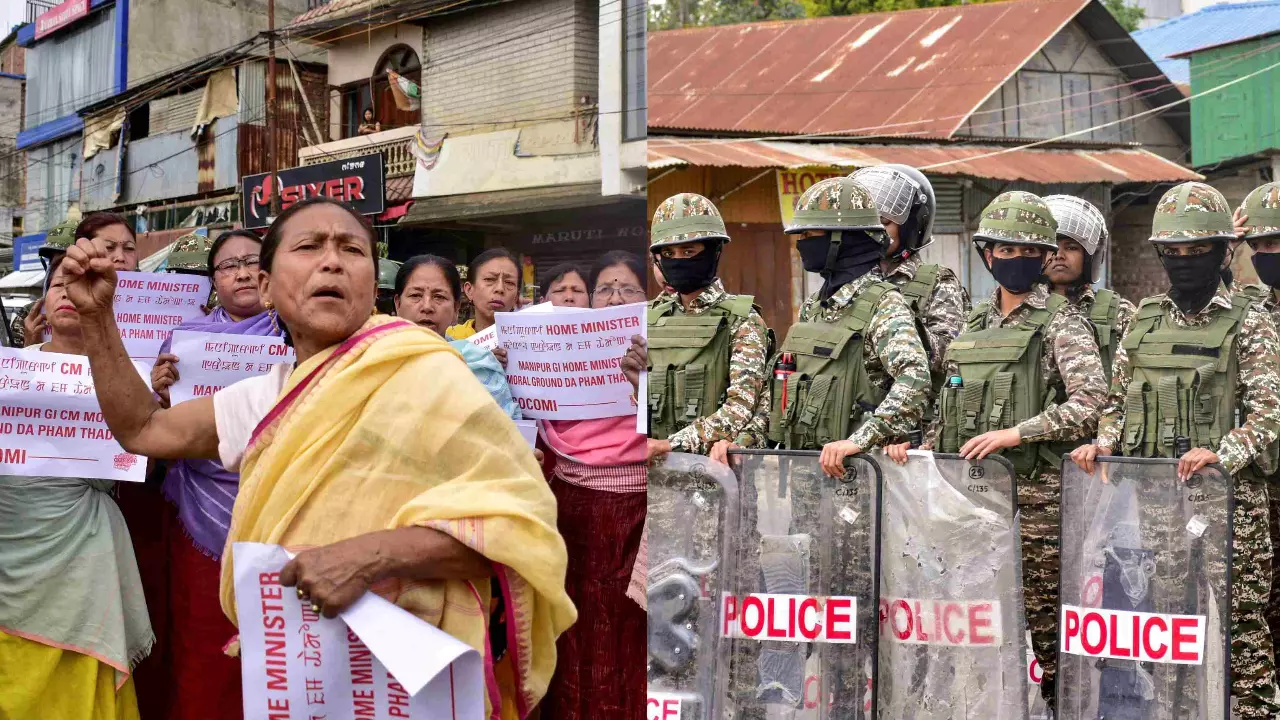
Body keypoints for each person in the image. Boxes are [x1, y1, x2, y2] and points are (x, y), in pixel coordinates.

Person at [61, 196, 576, 719]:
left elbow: (516, 529)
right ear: (265, 286)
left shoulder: (429, 376)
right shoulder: (267, 396)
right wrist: (99, 316)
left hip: (416, 677)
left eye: (351, 249)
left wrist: (369, 556)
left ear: (371, 286)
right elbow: (144, 429)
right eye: (309, 246)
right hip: (302, 670)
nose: (332, 260)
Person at [1072, 181, 1280, 718]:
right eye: (1175, 253)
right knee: (1170, 629)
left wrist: (1222, 454)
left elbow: (1270, 411)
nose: (1185, 263)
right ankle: (1174, 712)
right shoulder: (1143, 322)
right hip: (1160, 501)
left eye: (1199, 251)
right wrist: (1104, 442)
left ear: (1223, 252)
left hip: (1230, 501)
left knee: (1242, 625)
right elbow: (1116, 402)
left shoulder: (1249, 320)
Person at [899, 191, 1107, 708]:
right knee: (975, 623)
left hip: (1038, 502)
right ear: (986, 255)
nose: (1014, 260)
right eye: (1003, 251)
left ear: (1042, 257)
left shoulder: (1062, 321)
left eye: (1027, 251)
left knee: (1045, 628)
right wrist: (919, 452)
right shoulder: (970, 326)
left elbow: (1092, 401)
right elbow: (947, 408)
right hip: (971, 501)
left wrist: (1019, 433)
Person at [0, 252, 152, 720]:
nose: (68, 294)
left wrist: (159, 398)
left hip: (81, 549)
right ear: (44, 301)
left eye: (79, 284)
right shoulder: (9, 371)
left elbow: (142, 449)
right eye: (59, 284)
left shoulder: (129, 378)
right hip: (12, 540)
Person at [136, 229, 279, 720]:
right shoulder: (184, 342)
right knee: (203, 654)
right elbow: (155, 427)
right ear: (213, 281)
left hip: (282, 511)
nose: (241, 272)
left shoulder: (300, 335)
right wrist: (158, 393)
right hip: (200, 516)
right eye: (227, 265)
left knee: (279, 659)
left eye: (251, 262)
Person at [539, 249, 648, 720]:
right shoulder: (561, 348)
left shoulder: (658, 349)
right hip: (569, 502)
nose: (613, 298)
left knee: (626, 628)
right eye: (604, 288)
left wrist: (645, 381)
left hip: (634, 508)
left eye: (627, 289)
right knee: (570, 621)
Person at [765, 176, 932, 477]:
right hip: (807, 477)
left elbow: (915, 381)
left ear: (843, 239)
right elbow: (785, 387)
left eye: (811, 234)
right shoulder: (814, 307)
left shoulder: (883, 306)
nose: (802, 243)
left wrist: (859, 440)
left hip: (858, 482)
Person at [646, 193, 771, 463]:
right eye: (668, 253)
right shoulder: (648, 319)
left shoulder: (742, 320)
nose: (677, 260)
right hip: (654, 480)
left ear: (714, 251)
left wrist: (667, 445)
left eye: (689, 251)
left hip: (715, 480)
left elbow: (742, 407)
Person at [850, 165, 968, 387]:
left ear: (910, 228)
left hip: (910, 409)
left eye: (885, 222)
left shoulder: (937, 282)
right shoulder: (850, 279)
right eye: (868, 222)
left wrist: (899, 325)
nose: (875, 230)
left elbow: (950, 358)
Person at [393, 254, 521, 419]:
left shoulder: (479, 364)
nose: (427, 306)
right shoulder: (372, 359)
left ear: (456, 309)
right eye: (415, 295)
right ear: (397, 304)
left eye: (439, 297)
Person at [1236, 181, 1280, 650]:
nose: (1267, 254)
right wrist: (1221, 248)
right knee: (1265, 607)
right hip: (1265, 481)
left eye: (1276, 243)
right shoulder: (1250, 308)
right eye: (1260, 245)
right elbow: (1199, 307)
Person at [1043, 194, 1137, 381]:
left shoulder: (1119, 314)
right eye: (1052, 248)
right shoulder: (1020, 311)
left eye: (1071, 247)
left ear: (1090, 257)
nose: (1059, 255)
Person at [14, 212, 139, 347]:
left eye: (71, 256)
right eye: (53, 259)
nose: (64, 264)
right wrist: (33, 348)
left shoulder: (148, 306)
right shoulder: (34, 314)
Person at [447, 248, 519, 340]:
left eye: (509, 282)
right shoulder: (448, 338)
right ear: (469, 290)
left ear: (516, 297)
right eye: (489, 279)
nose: (500, 289)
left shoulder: (528, 343)